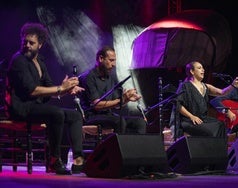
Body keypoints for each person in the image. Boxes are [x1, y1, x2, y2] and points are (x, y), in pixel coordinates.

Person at [6, 22, 85, 175]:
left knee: (75, 116)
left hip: (35, 107)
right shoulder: (19, 61)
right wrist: (61, 89)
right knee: (56, 113)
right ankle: (54, 160)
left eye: (31, 43)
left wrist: (67, 89)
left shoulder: (40, 61)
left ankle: (78, 159)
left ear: (40, 44)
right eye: (25, 42)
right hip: (20, 107)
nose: (27, 45)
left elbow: (50, 88)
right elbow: (32, 91)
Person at [79, 46, 146, 134]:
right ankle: (117, 147)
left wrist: (126, 99)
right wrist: (121, 99)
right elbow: (97, 105)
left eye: (114, 61)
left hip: (108, 116)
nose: (114, 64)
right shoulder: (89, 77)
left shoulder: (110, 78)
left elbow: (117, 105)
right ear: (101, 58)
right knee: (120, 121)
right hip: (92, 116)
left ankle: (132, 147)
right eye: (111, 60)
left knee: (140, 122)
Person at [170, 60, 238, 140]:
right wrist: (191, 116)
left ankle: (219, 150)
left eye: (203, 68)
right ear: (192, 71)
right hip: (189, 120)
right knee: (211, 131)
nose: (203, 70)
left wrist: (233, 85)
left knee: (220, 125)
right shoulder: (185, 86)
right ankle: (210, 149)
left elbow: (222, 92)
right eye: (199, 68)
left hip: (203, 119)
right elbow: (178, 104)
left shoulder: (205, 86)